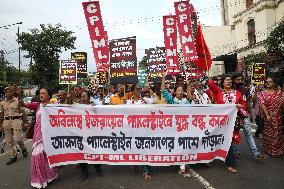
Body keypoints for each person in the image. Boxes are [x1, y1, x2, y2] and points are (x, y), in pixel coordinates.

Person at [17, 87, 58, 188]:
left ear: (49, 95)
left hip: (49, 135)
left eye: (44, 93)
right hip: (38, 135)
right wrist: (18, 95)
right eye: (40, 93)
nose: (41, 95)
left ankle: (50, 176)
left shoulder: (54, 106)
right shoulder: (37, 105)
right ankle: (41, 178)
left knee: (46, 156)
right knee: (38, 155)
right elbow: (23, 104)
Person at [209, 74, 247, 173]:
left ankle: (226, 158)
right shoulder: (218, 92)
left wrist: (240, 106)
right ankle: (230, 163)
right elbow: (210, 84)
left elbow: (244, 104)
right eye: (227, 80)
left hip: (234, 122)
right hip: (222, 122)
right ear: (222, 82)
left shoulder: (238, 93)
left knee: (232, 140)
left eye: (230, 80)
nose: (229, 81)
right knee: (228, 140)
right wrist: (214, 78)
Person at [161, 74, 191, 178]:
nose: (180, 92)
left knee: (183, 146)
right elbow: (163, 90)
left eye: (182, 90)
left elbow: (192, 106)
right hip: (172, 128)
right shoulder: (171, 100)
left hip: (183, 128)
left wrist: (188, 85)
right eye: (178, 90)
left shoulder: (186, 102)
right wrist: (164, 78)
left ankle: (182, 168)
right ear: (175, 92)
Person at [232, 72, 264, 160]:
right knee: (235, 134)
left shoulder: (245, 90)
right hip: (233, 116)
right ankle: (236, 151)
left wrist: (250, 113)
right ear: (233, 80)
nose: (240, 81)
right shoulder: (230, 89)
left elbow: (247, 102)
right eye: (238, 80)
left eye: (241, 79)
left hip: (244, 115)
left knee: (248, 134)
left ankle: (255, 153)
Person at [0, 86, 28, 165]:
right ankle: (13, 156)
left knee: (18, 139)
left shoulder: (17, 100)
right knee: (9, 141)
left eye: (9, 92)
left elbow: (23, 111)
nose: (7, 93)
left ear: (12, 92)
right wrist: (1, 124)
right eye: (6, 92)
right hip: (6, 122)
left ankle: (23, 148)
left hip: (16, 121)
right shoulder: (2, 103)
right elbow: (1, 114)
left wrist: (25, 121)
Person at [79, 91, 103, 181]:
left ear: (89, 98)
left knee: (95, 151)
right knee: (82, 153)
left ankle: (98, 168)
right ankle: (84, 172)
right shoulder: (76, 107)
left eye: (85, 96)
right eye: (82, 96)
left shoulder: (94, 107)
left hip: (93, 134)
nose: (83, 98)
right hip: (81, 134)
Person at [259, 77, 284, 157]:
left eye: (270, 81)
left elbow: (282, 104)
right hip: (267, 118)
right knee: (268, 134)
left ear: (274, 83)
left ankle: (276, 151)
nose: (268, 83)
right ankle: (268, 150)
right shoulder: (262, 93)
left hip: (278, 117)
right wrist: (267, 115)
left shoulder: (279, 93)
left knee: (277, 134)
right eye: (266, 82)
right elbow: (262, 104)